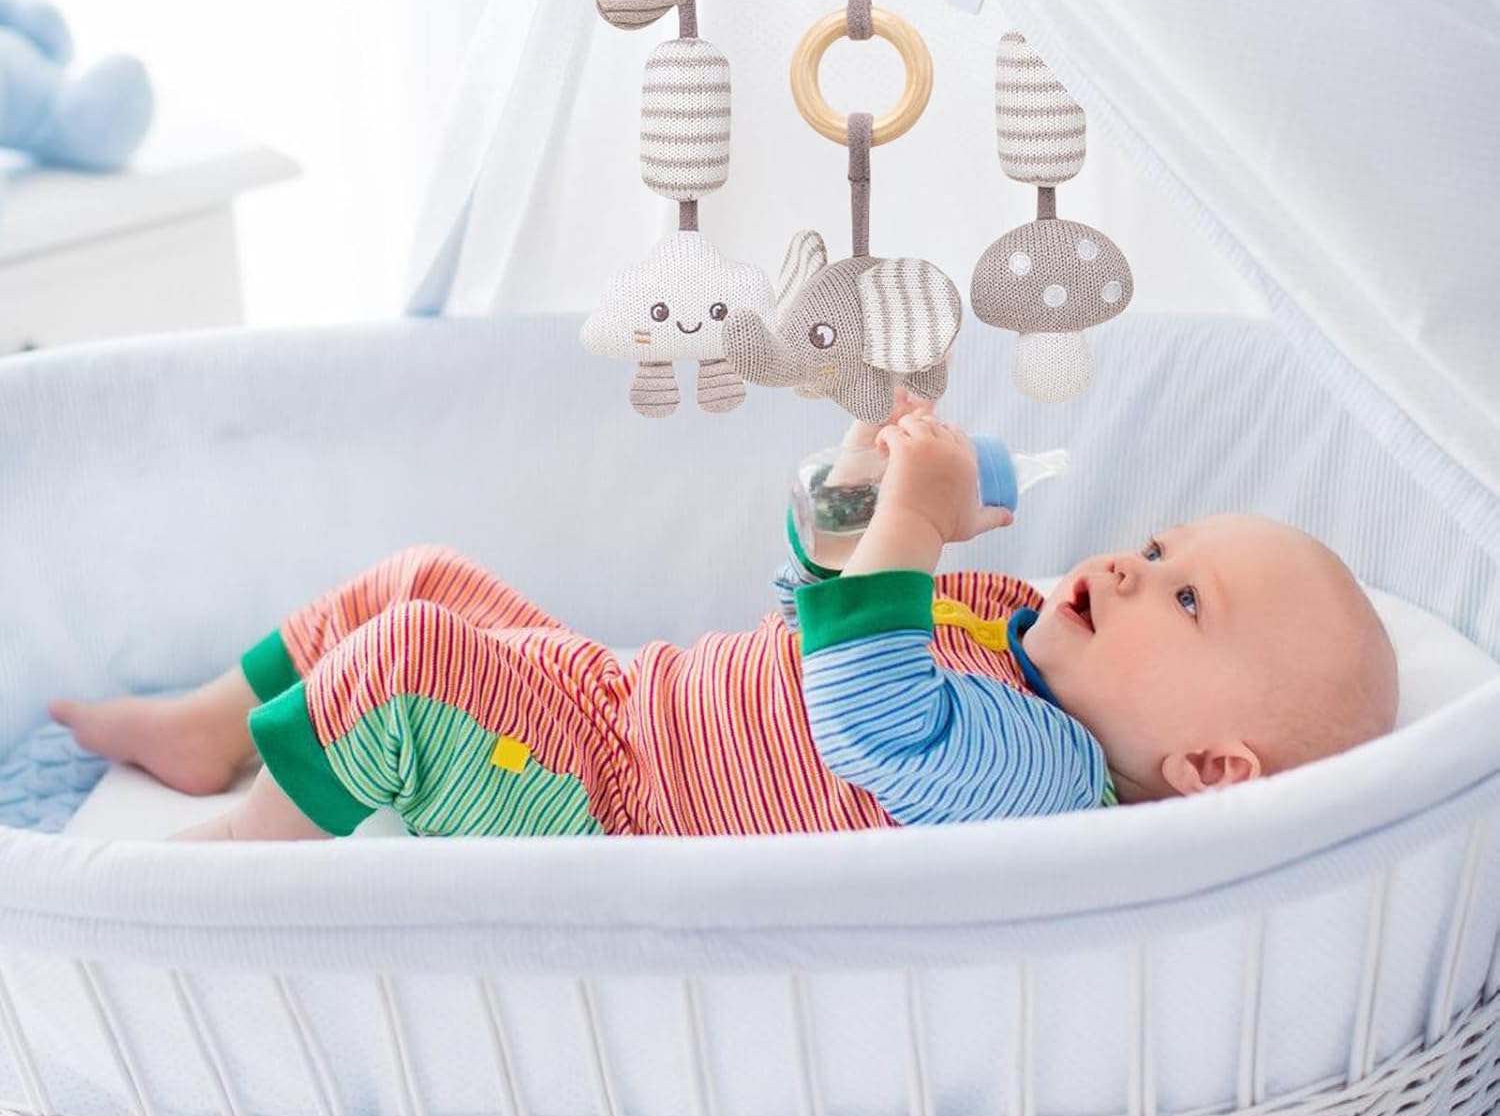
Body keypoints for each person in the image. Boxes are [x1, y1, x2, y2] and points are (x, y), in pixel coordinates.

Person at [52, 395, 1398, 840]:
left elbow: (866, 714)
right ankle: (211, 729)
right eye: (1157, 545)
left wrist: (916, 530)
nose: (1129, 564)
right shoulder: (1007, 621)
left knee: (413, 664)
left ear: (1209, 766)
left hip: (614, 803)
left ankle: (237, 867)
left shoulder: (1049, 779)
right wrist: (855, 502)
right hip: (617, 696)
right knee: (425, 577)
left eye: (1184, 595)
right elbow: (812, 615)